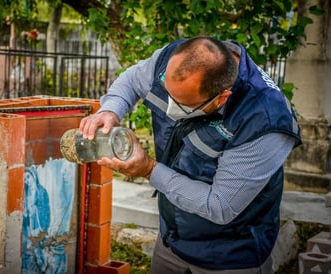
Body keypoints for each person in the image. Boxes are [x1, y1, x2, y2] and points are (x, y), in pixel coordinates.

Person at [79, 36, 302, 273]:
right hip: (172, 239)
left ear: (221, 98)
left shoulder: (265, 123)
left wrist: (148, 169)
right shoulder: (175, 58)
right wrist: (111, 109)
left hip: (231, 256)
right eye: (167, 91)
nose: (170, 107)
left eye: (182, 104)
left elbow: (220, 206)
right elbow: (132, 80)